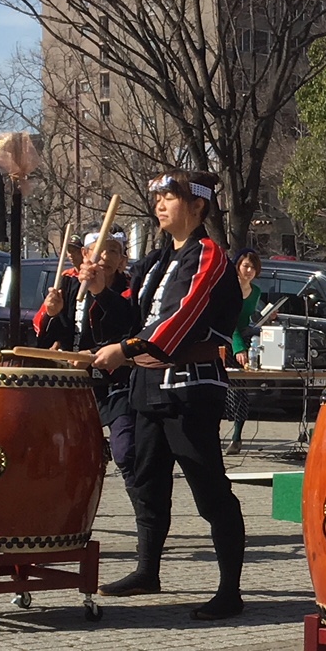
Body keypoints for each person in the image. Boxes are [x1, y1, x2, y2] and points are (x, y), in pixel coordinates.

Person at [92, 170, 247, 619]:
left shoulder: (210, 255)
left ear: (197, 207)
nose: (160, 204)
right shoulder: (159, 261)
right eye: (157, 197)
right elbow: (134, 317)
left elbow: (179, 321)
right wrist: (102, 292)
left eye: (170, 198)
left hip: (189, 385)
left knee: (208, 486)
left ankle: (229, 591)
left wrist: (124, 350)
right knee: (146, 479)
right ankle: (147, 570)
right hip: (147, 384)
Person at [40, 246, 142, 472]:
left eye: (113, 251)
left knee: (126, 451)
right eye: (100, 251)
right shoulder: (70, 285)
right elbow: (52, 337)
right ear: (86, 255)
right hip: (78, 383)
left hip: (117, 382)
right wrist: (53, 314)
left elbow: (130, 331)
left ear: (122, 260)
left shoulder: (129, 288)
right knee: (72, 455)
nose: (106, 256)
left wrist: (94, 353)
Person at [226, 249, 264, 453]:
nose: (249, 271)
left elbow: (249, 316)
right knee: (224, 389)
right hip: (225, 340)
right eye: (246, 266)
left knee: (241, 389)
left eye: (253, 267)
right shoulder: (228, 289)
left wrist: (266, 316)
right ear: (237, 267)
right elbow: (229, 321)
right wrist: (238, 348)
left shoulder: (256, 291)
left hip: (245, 337)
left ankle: (237, 436)